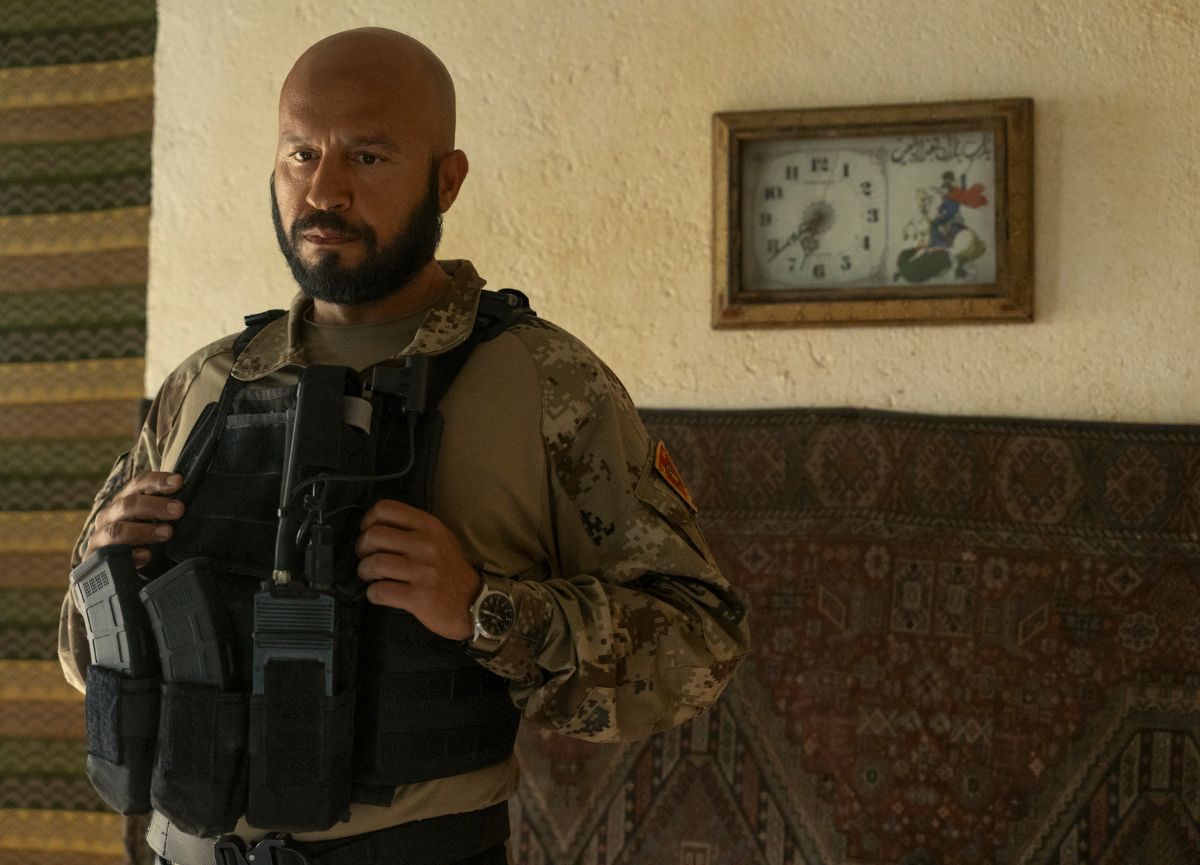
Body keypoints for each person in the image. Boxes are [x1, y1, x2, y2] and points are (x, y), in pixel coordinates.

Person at [59, 27, 749, 865]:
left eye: (368, 156)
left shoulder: (545, 382)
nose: (325, 189)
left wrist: (484, 609)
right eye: (301, 154)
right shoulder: (204, 382)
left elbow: (698, 642)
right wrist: (102, 575)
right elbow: (83, 656)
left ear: (446, 179)